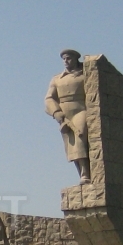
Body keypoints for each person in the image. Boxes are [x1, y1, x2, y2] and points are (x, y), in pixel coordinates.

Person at [44, 49, 91, 182]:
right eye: (64, 59)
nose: (66, 61)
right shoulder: (57, 78)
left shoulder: (85, 75)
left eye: (69, 58)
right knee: (71, 145)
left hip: (81, 110)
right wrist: (56, 113)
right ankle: (81, 172)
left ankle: (85, 172)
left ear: (76, 59)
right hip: (64, 114)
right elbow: (49, 98)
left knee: (80, 136)